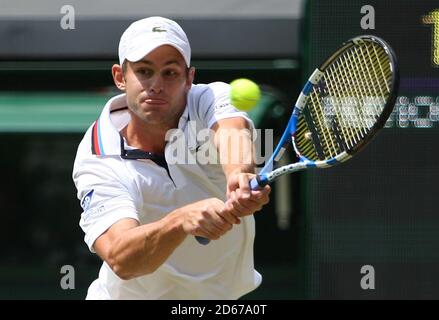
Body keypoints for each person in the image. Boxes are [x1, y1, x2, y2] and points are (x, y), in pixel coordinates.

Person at [72, 16, 271, 300]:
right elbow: (121, 258)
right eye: (143, 71)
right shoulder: (97, 157)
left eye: (170, 73)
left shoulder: (210, 98)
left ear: (189, 78)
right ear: (120, 77)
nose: (156, 85)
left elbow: (232, 132)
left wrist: (239, 176)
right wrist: (180, 221)